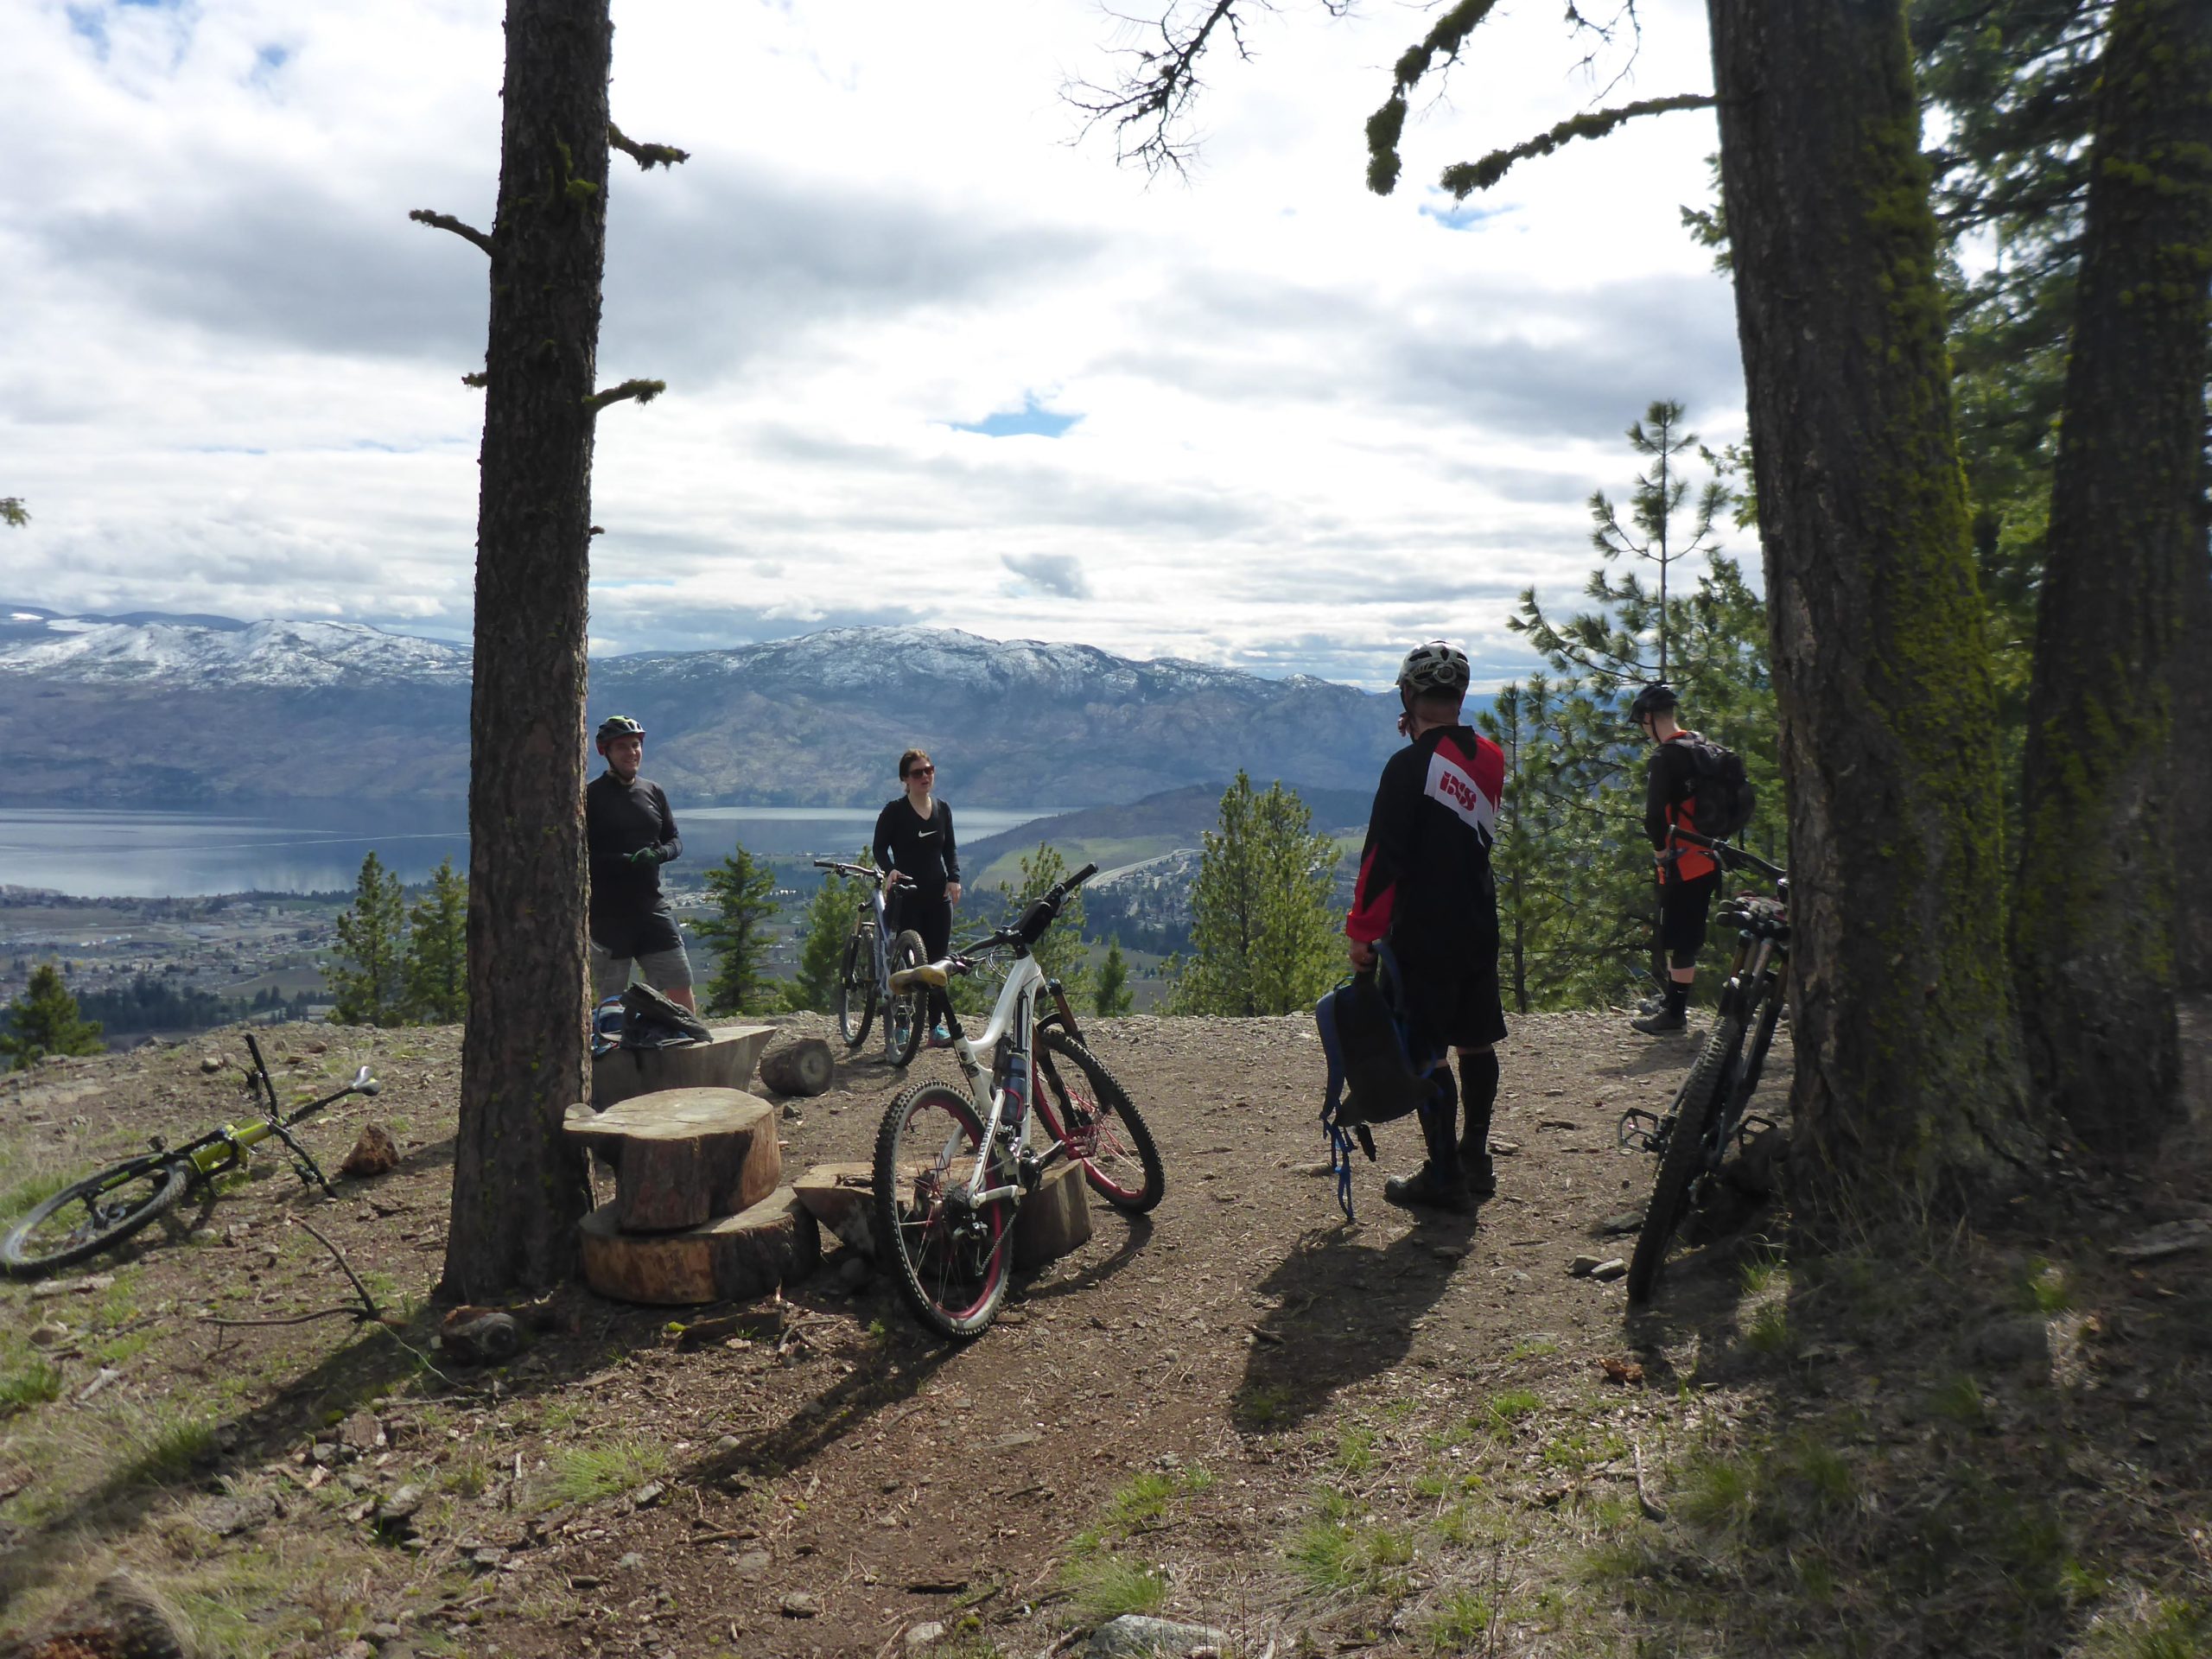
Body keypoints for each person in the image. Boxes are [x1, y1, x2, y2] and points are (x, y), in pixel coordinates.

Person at [1344, 641, 1508, 1215]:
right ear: (1460, 696)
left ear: (1409, 696)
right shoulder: (1491, 756)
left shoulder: (1407, 766)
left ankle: (1443, 1175)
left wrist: (1362, 932)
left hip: (1424, 930)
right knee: (1476, 1037)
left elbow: (1381, 861)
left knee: (1430, 1050)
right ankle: (1476, 1157)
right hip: (1478, 918)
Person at [585, 715, 696, 1014]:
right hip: (608, 915)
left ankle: (687, 1044)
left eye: (635, 745)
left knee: (679, 982)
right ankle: (605, 1053)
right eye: (621, 746)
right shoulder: (590, 797)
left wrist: (658, 855)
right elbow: (579, 854)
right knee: (609, 999)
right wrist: (622, 862)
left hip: (651, 907)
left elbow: (674, 839)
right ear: (604, 752)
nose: (631, 752)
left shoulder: (653, 791)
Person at [1629, 683, 1717, 1036]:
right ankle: (1671, 1000)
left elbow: (1654, 816)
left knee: (1679, 937)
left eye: (1641, 724)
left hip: (1681, 860)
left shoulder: (1665, 757)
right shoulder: (1699, 744)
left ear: (1649, 718)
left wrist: (1660, 852)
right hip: (1709, 854)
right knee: (1686, 932)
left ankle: (1675, 1013)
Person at [873, 748, 962, 1046]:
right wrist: (890, 870)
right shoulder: (894, 812)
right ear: (905, 779)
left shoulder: (942, 809)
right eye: (917, 773)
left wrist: (954, 879)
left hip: (938, 899)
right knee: (907, 964)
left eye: (929, 770)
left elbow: (949, 849)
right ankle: (902, 1025)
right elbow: (879, 849)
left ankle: (935, 1028)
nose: (925, 776)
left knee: (938, 964)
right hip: (907, 897)